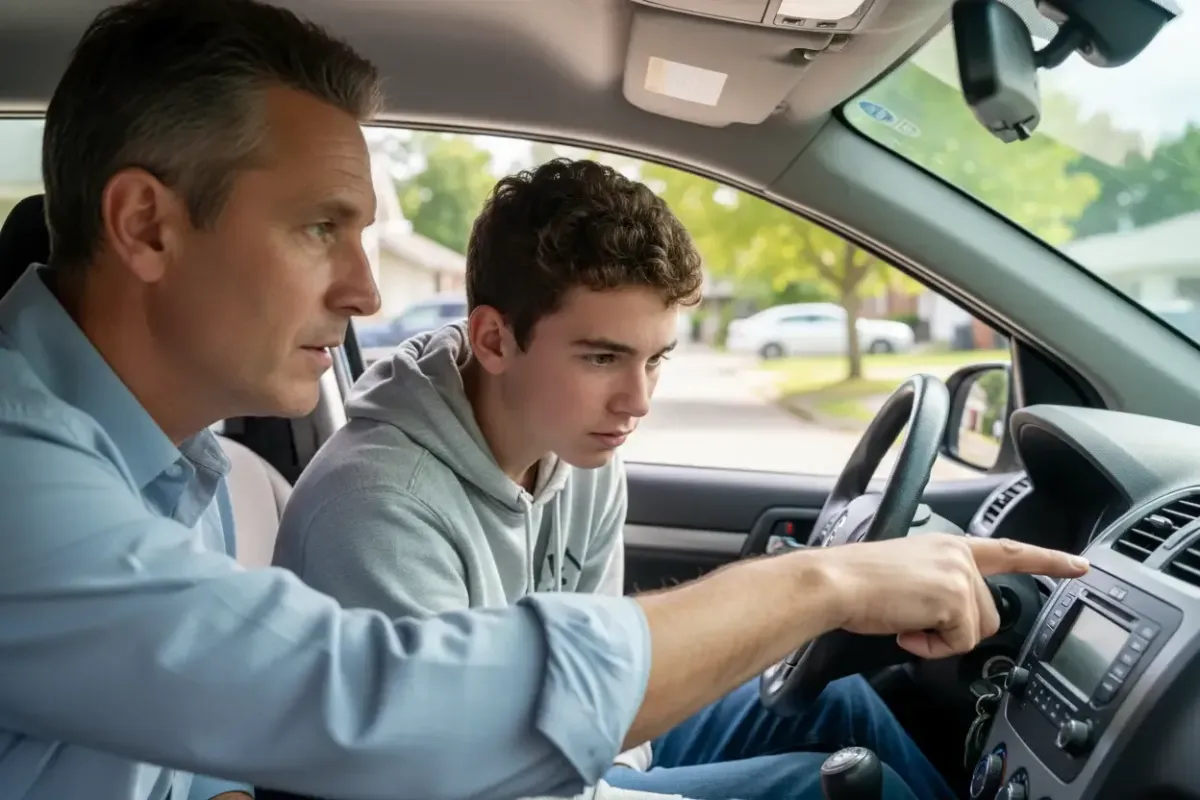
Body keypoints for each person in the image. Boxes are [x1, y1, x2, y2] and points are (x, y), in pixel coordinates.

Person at [0, 0, 1090, 798]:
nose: (370, 287)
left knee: (842, 723)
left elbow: (193, 751)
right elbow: (376, 703)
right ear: (146, 225)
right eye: (317, 226)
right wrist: (825, 580)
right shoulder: (22, 476)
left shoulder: (159, 461)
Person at [272, 158, 950, 800]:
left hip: (575, 746)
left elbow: (603, 673)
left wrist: (628, 758)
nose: (638, 400)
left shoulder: (579, 451)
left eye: (656, 359)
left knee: (839, 702)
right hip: (489, 781)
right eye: (603, 357)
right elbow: (468, 774)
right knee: (829, 789)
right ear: (494, 340)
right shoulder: (376, 511)